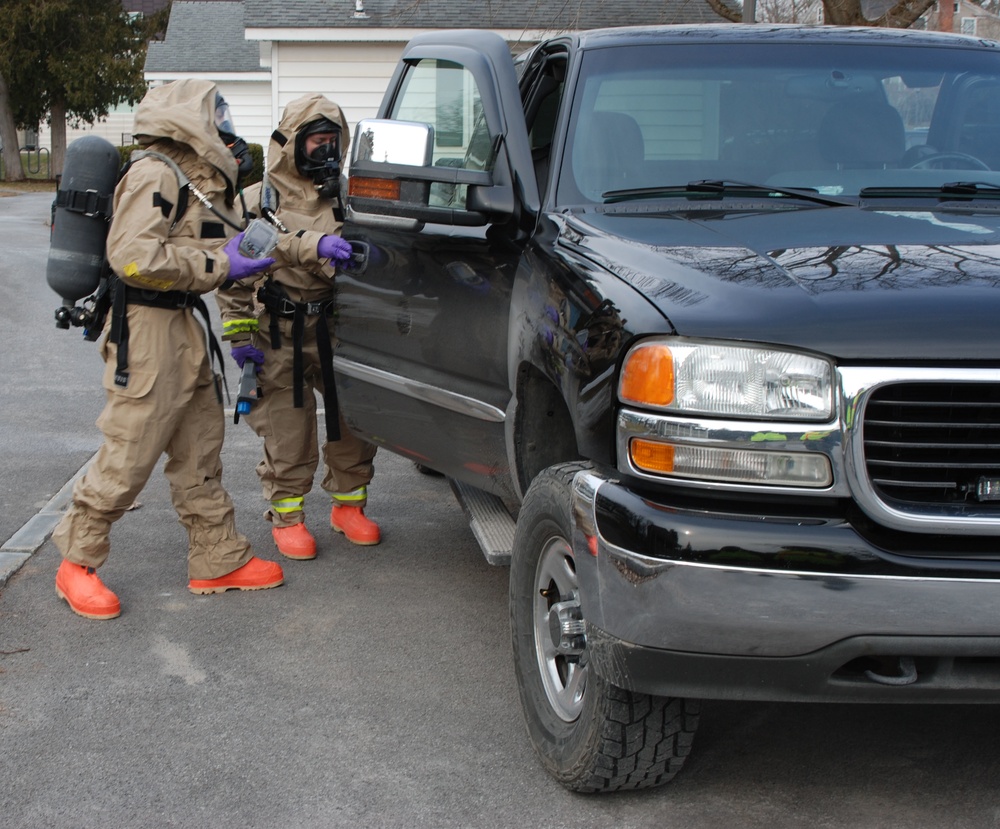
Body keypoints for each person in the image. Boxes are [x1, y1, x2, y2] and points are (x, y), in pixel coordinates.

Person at [52, 79, 283, 620]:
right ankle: (75, 564)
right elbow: (131, 257)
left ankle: (217, 557)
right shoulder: (156, 172)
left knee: (200, 447)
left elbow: (194, 246)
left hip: (183, 325)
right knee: (129, 449)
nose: (225, 122)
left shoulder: (198, 181)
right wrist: (223, 264)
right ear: (190, 117)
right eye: (217, 111)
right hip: (148, 330)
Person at [216, 94, 379, 561]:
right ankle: (288, 516)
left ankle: (350, 507)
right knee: (288, 433)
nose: (326, 152)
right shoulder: (257, 201)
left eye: (333, 142)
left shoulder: (352, 198)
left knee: (354, 425)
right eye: (316, 142)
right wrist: (241, 336)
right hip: (278, 333)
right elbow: (233, 277)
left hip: (338, 330)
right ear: (292, 145)